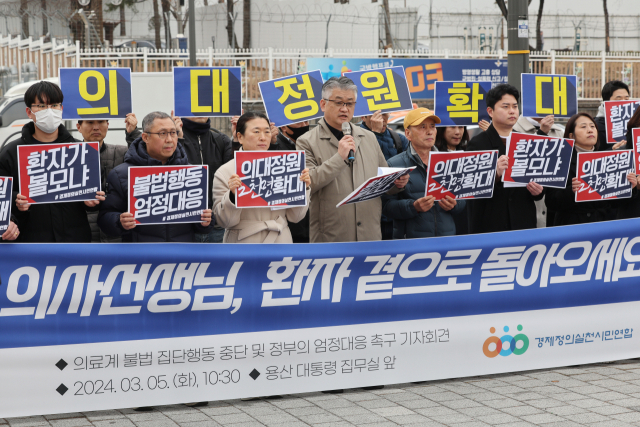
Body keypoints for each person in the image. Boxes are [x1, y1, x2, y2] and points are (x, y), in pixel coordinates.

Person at [296, 76, 408, 243]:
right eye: (339, 102)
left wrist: (396, 183)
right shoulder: (306, 141)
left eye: (350, 103)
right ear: (323, 104)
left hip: (369, 236)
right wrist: (339, 158)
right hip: (331, 238)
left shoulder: (369, 137)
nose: (344, 109)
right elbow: (308, 183)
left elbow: (383, 180)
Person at [0, 80, 104, 242]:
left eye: (54, 105)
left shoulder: (81, 151)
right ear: (29, 112)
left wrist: (92, 201)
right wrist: (16, 201)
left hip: (74, 240)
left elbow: (97, 195)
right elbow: (2, 197)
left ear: (61, 109)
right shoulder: (11, 152)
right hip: (30, 243)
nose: (49, 111)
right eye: (41, 106)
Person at [98, 111, 212, 242]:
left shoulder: (191, 173)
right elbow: (104, 219)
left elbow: (204, 219)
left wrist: (206, 220)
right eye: (162, 133)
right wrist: (119, 221)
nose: (169, 139)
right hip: (141, 257)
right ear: (145, 137)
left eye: (173, 133)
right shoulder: (122, 174)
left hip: (181, 256)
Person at [212, 112, 310, 243]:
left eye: (267, 132)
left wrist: (304, 188)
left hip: (280, 241)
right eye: (256, 132)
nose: (263, 138)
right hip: (243, 243)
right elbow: (224, 221)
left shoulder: (286, 166)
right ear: (240, 137)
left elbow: (296, 217)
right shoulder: (225, 172)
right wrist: (232, 196)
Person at [466, 84, 544, 234]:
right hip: (491, 223)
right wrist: (495, 174)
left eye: (515, 106)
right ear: (490, 111)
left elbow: (539, 183)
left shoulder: (527, 142)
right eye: (505, 106)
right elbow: (470, 188)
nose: (512, 111)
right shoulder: (478, 143)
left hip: (523, 222)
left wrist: (538, 191)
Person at [382, 109, 465, 239]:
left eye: (432, 126)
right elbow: (386, 207)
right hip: (411, 242)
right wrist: (414, 206)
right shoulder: (394, 164)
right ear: (408, 134)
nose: (429, 131)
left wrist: (455, 205)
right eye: (422, 127)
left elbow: (462, 199)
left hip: (447, 238)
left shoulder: (450, 161)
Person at [546, 112, 637, 226]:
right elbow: (551, 202)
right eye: (583, 127)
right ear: (571, 136)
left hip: (603, 226)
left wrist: (629, 187)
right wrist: (571, 191)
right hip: (572, 226)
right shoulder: (560, 161)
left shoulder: (607, 160)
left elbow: (615, 203)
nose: (590, 130)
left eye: (592, 126)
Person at [76, 119, 128, 243]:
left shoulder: (122, 152)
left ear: (108, 125)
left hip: (117, 235)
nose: (96, 127)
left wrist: (132, 134)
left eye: (100, 122)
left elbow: (145, 160)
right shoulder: (69, 156)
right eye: (89, 122)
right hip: (83, 235)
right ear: (78, 127)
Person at [360, 110, 410, 240]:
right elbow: (363, 164)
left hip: (393, 212)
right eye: (375, 115)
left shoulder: (399, 139)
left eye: (385, 114)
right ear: (363, 116)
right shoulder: (353, 137)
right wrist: (374, 134)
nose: (381, 119)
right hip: (366, 213)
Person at [271, 120, 311, 243]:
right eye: (300, 123)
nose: (304, 126)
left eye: (307, 122)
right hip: (289, 224)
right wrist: (272, 144)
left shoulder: (309, 144)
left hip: (309, 221)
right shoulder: (276, 146)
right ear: (284, 127)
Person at [434, 126, 470, 235]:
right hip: (441, 220)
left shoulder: (470, 152)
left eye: (461, 127)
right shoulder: (432, 155)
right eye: (453, 127)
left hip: (466, 218)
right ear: (442, 129)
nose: (458, 132)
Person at [595, 80, 630, 151]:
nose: (624, 103)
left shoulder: (633, 123)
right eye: (618, 99)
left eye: (626, 99)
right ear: (606, 101)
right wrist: (611, 150)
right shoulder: (596, 126)